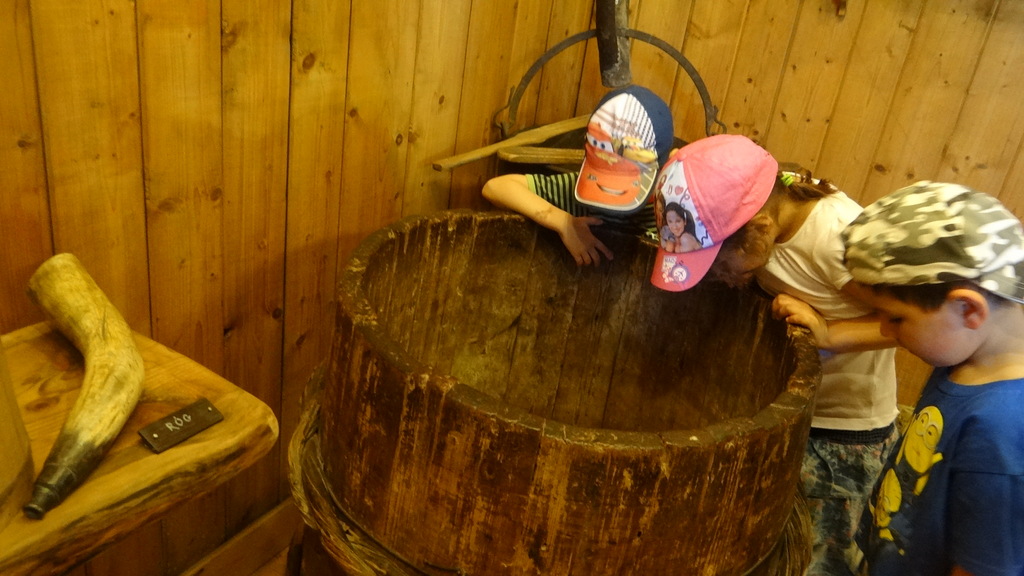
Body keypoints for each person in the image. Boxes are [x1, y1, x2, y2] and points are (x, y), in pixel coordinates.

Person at [650, 134, 900, 576]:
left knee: (818, 556)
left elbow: (910, 319)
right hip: (795, 415)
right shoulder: (760, 205)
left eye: (719, 263)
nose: (716, 275)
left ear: (761, 228)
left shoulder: (836, 241)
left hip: (844, 431)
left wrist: (831, 333)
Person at [837, 181, 1024, 576]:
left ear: (967, 309)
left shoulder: (1002, 433)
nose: (884, 330)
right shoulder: (966, 356)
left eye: (896, 317)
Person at [482, 85, 674, 266]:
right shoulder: (578, 190)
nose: (609, 192)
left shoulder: (673, 211)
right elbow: (495, 187)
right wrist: (563, 222)